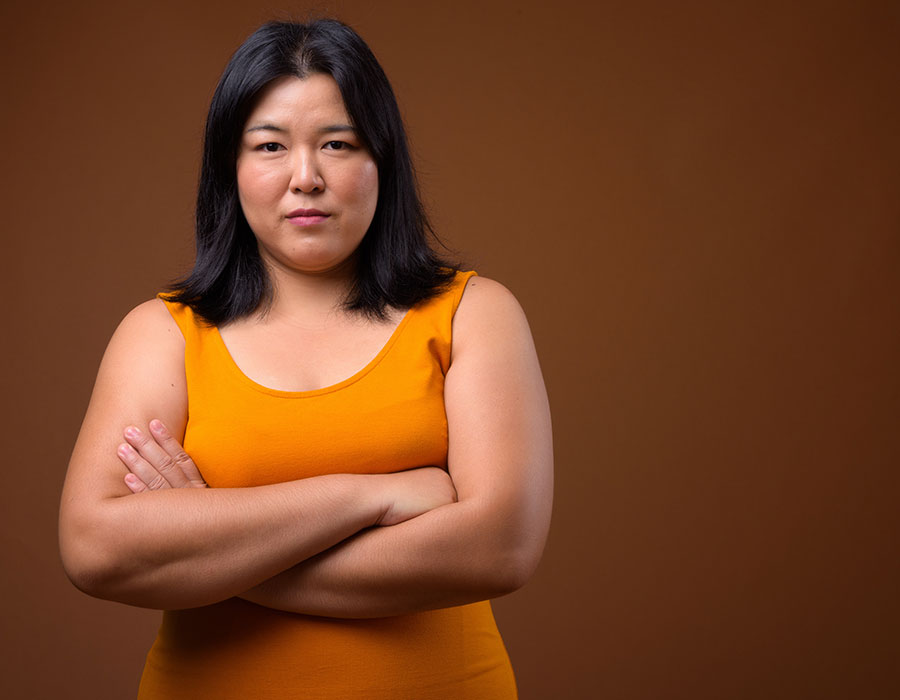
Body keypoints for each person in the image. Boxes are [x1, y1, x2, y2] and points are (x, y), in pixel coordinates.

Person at [59, 18, 552, 699]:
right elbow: (93, 549)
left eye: (338, 145)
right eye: (269, 146)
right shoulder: (161, 333)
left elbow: (500, 547)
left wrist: (215, 543)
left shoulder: (474, 313)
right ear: (230, 170)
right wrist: (373, 494)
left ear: (384, 161)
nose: (306, 178)